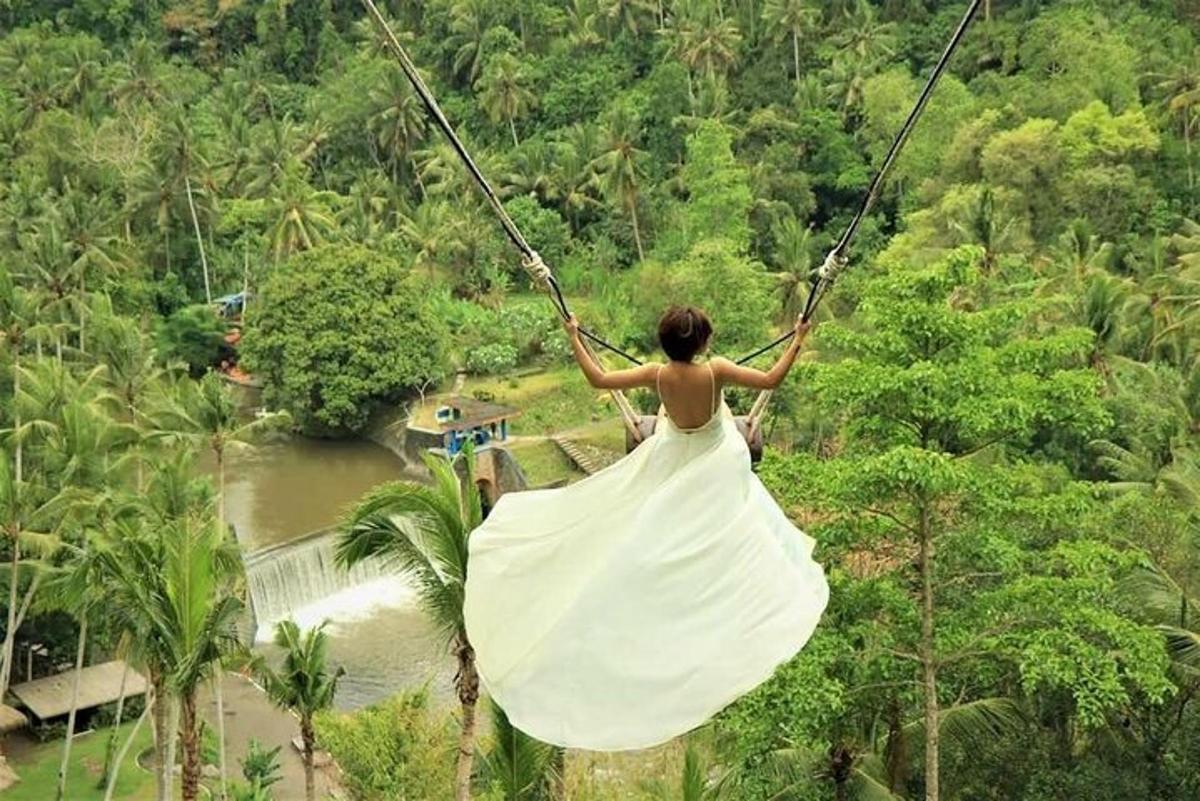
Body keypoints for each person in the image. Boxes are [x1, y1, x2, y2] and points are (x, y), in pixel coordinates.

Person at [463, 305, 829, 751]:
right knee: (739, 511)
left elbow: (598, 379)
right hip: (717, 458)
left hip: (672, 452)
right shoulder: (715, 372)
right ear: (704, 343)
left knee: (641, 520)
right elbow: (772, 379)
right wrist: (798, 338)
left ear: (665, 343)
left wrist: (575, 335)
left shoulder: (657, 374)